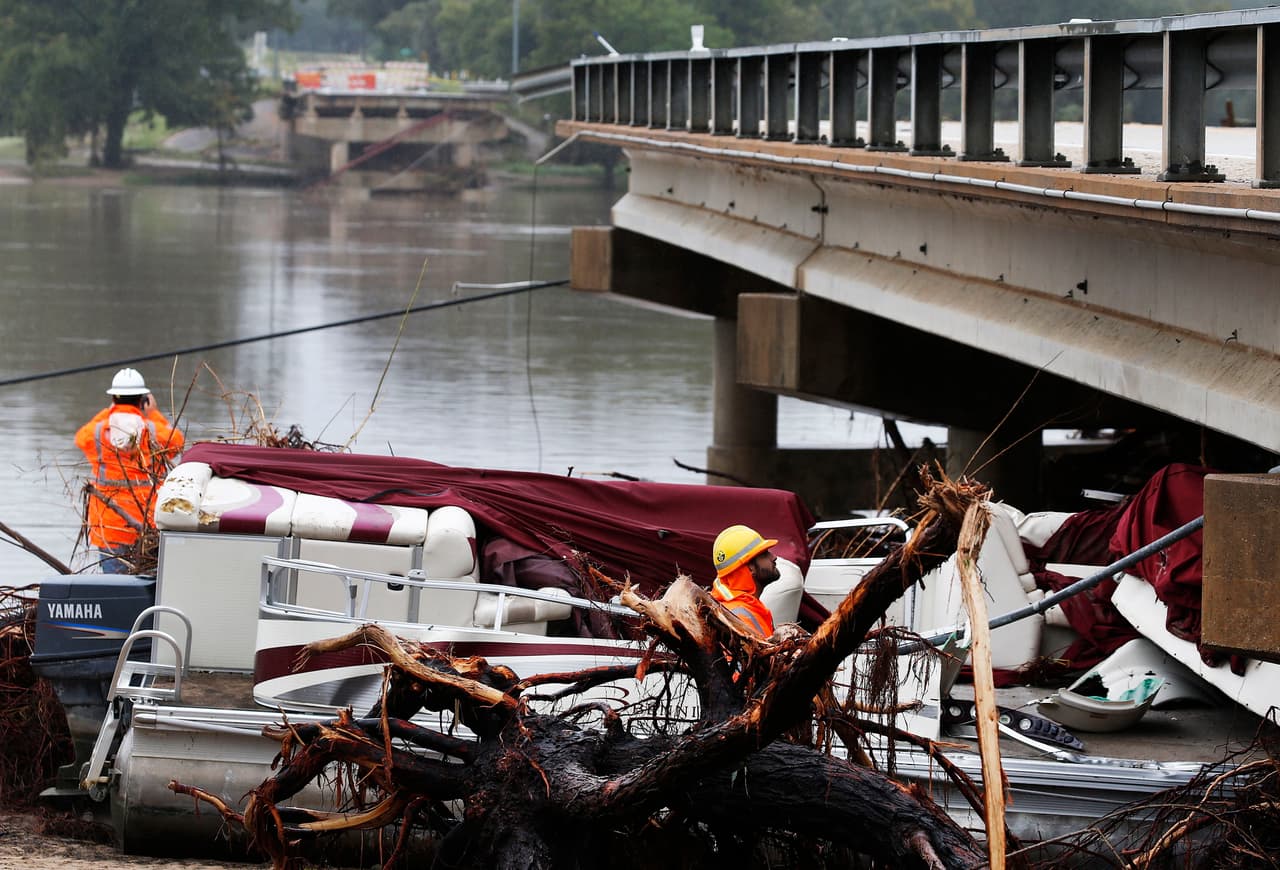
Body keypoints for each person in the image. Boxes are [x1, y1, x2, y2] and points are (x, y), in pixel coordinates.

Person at [75, 368, 185, 573]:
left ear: (114, 398)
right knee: (147, 588)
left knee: (115, 590)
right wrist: (154, 414)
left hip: (109, 527)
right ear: (142, 400)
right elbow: (177, 441)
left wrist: (111, 412)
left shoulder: (97, 431)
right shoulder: (154, 432)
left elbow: (80, 437)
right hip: (147, 526)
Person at [710, 524, 782, 638]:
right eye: (764, 554)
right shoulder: (739, 618)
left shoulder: (747, 607)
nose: (773, 557)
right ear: (750, 568)